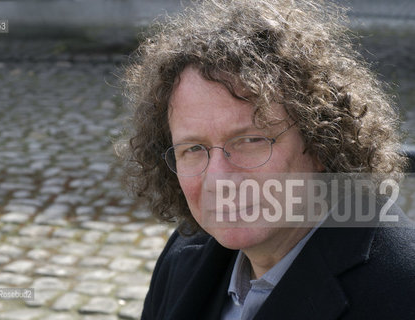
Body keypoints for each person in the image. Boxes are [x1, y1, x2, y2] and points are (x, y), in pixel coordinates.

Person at [121, 0, 415, 319]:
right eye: (192, 148)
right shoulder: (184, 251)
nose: (219, 180)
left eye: (250, 141)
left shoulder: (401, 291)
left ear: (320, 141)